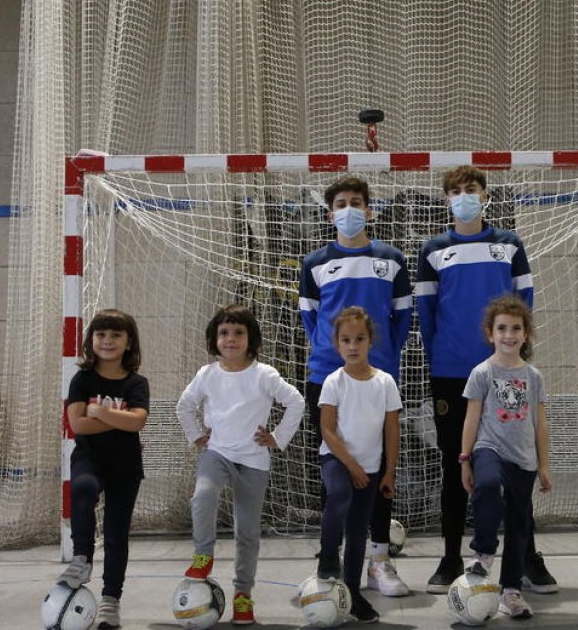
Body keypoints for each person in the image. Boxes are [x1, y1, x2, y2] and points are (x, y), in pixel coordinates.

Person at [416, 165, 557, 595]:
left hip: (506, 374)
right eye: (455, 191)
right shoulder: (433, 249)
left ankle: (527, 557)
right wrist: (444, 355)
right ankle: (450, 558)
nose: (464, 196)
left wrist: (510, 356)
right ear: (446, 200)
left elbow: (522, 307)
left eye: (471, 189)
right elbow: (426, 315)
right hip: (451, 373)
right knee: (453, 465)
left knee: (517, 466)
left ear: (485, 195)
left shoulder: (509, 245)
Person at [299, 176, 412, 597]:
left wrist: (380, 359)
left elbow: (401, 320)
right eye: (341, 203)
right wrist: (334, 359)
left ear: (370, 209)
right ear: (331, 214)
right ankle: (328, 561)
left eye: (357, 202)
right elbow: (311, 320)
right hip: (326, 378)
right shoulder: (314, 263)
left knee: (379, 471)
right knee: (333, 473)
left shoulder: (392, 259)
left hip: (378, 379)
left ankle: (378, 560)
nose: (349, 209)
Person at [176, 304, 306, 625]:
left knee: (247, 532)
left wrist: (277, 437)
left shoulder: (264, 375)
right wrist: (196, 436)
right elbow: (184, 406)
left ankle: (243, 595)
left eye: (238, 333)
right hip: (216, 453)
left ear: (251, 339)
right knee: (203, 496)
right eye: (223, 333)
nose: (230, 339)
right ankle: (203, 554)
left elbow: (296, 402)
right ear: (214, 339)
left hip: (253, 461)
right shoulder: (207, 375)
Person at [56, 309, 150, 630]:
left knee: (115, 533)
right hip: (89, 459)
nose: (107, 341)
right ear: (91, 340)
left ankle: (111, 600)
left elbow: (138, 421)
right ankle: (81, 558)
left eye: (115, 335)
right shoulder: (82, 379)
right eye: (101, 335)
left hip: (125, 466)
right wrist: (115, 419)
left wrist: (100, 412)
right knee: (81, 489)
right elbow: (77, 424)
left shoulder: (137, 382)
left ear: (128, 343)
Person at [459, 295, 552, 620]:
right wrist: (465, 459)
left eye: (516, 328)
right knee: (487, 485)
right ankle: (483, 552)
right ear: (490, 333)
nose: (509, 335)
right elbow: (471, 419)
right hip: (489, 448)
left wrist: (543, 465)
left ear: (526, 334)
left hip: (524, 460)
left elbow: (540, 423)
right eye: (502, 328)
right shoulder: (481, 373)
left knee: (519, 524)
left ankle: (511, 591)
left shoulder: (534, 377)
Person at [316, 306, 402, 623]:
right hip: (336, 459)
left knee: (357, 532)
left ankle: (352, 592)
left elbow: (392, 430)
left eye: (359, 339)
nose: (353, 346)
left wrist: (388, 471)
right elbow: (327, 429)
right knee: (339, 495)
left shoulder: (385, 383)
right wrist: (351, 465)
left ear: (370, 342)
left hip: (370, 467)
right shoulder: (333, 382)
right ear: (337, 344)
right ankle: (327, 558)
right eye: (346, 340)